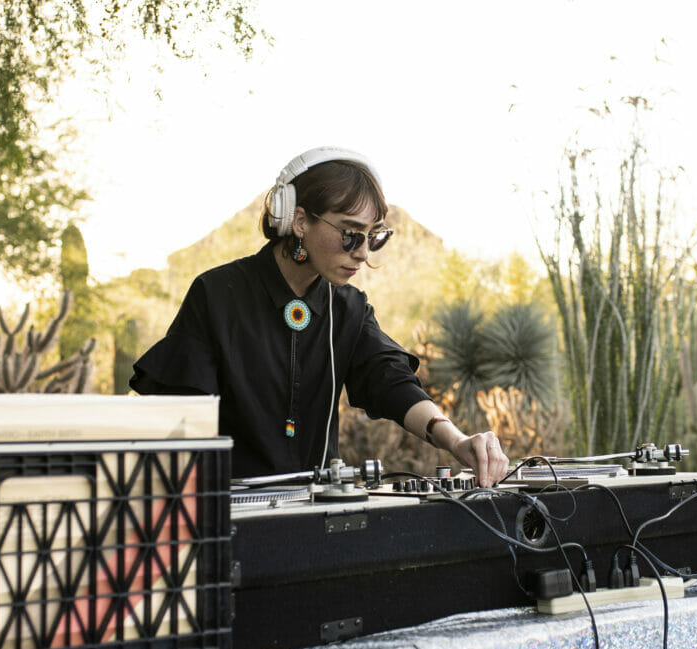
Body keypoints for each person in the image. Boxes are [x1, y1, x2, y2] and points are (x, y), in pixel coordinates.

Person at [130, 146, 509, 486]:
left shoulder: (349, 309)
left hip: (313, 517)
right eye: (350, 234)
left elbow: (391, 381)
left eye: (374, 237)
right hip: (228, 518)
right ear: (298, 222)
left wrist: (457, 440)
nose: (363, 253)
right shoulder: (217, 295)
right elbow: (174, 420)